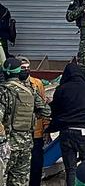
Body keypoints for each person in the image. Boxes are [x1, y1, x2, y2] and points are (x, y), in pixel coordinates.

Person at [0, 58, 51, 186]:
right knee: (20, 180)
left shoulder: (3, 91)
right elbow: (47, 112)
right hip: (26, 144)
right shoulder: (30, 90)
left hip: (6, 145)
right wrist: (32, 115)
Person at [48, 61, 85, 186]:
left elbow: (55, 110)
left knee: (70, 169)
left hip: (66, 131)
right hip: (84, 131)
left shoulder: (61, 89)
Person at [15, 57, 50, 186]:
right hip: (18, 132)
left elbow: (43, 106)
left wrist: (46, 127)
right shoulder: (12, 86)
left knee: (36, 164)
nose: (26, 71)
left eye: (28, 68)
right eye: (23, 68)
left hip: (36, 131)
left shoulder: (36, 83)